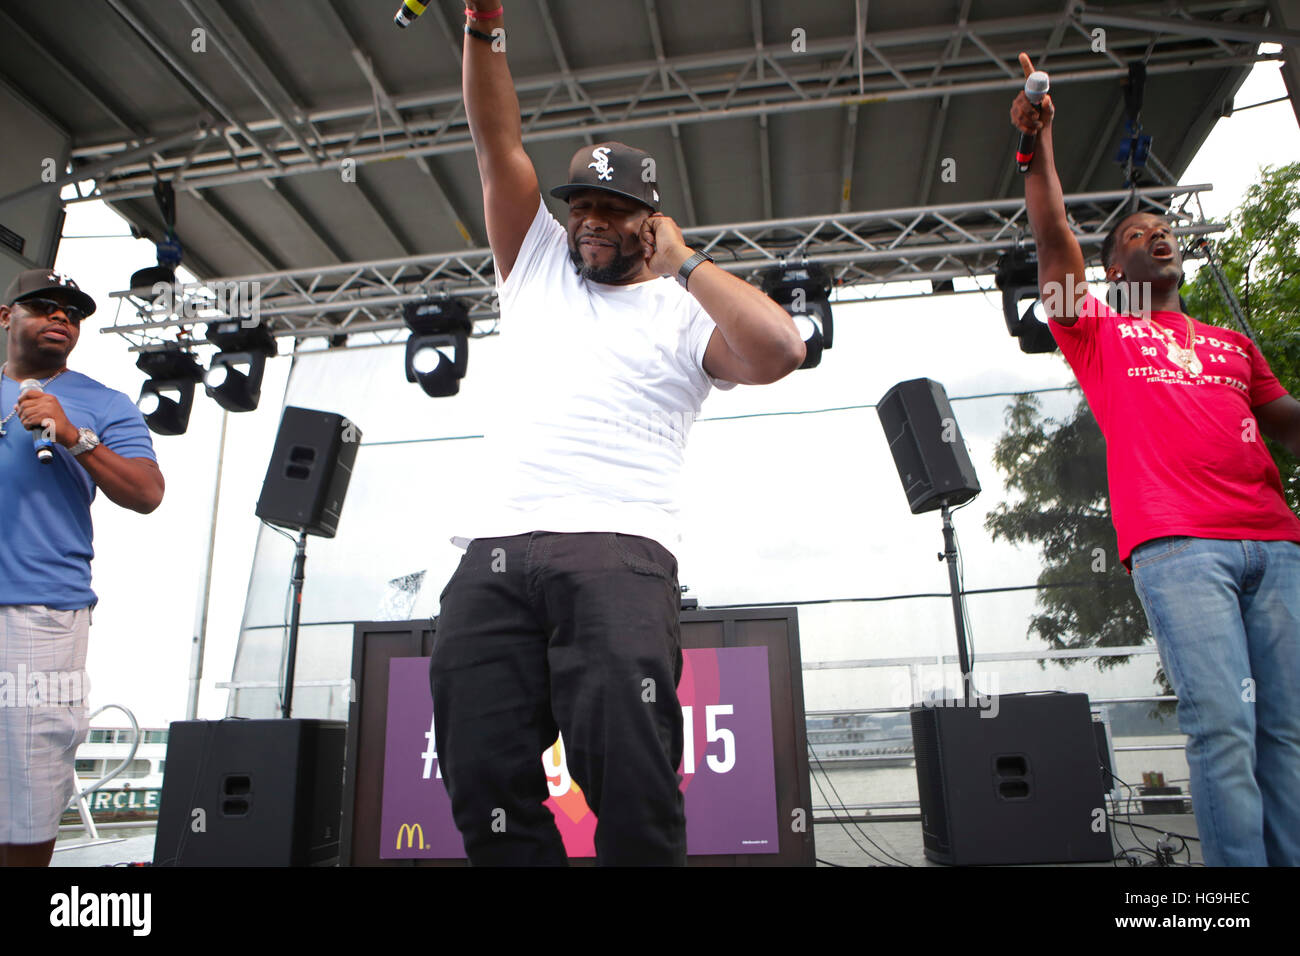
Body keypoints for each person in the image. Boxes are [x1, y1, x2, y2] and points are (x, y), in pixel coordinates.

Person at [429, 2, 805, 866]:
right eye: (581, 205)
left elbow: (782, 349)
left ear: (651, 222)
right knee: (482, 775)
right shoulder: (535, 263)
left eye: (612, 207)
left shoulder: (684, 310)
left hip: (618, 552)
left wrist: (687, 262)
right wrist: (483, 24)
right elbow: (496, 143)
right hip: (493, 552)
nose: (590, 219)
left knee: (631, 783)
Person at [1012, 53, 1300, 866]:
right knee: (1225, 726)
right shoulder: (1096, 330)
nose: (1158, 233)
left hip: (1277, 544)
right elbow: (1052, 237)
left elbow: (1287, 424)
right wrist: (1038, 150)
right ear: (1115, 268)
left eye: (1162, 226)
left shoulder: (1233, 345)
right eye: (1136, 234)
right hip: (1182, 547)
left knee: (1285, 732)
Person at [0, 269, 164, 867]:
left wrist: (74, 435)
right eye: (44, 306)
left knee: (31, 776)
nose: (60, 318)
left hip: (40, 610)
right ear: (6, 317)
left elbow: (147, 492)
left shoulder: (104, 402)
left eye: (72, 313)